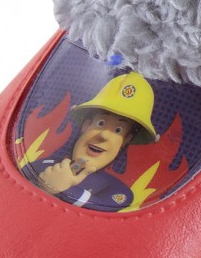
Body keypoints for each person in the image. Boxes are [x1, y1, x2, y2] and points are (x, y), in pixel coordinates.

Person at [29, 71, 158, 211]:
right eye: (100, 123)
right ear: (86, 125)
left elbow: (103, 206)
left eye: (118, 130)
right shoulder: (45, 164)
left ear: (126, 140)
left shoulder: (118, 191)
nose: (104, 136)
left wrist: (60, 188)